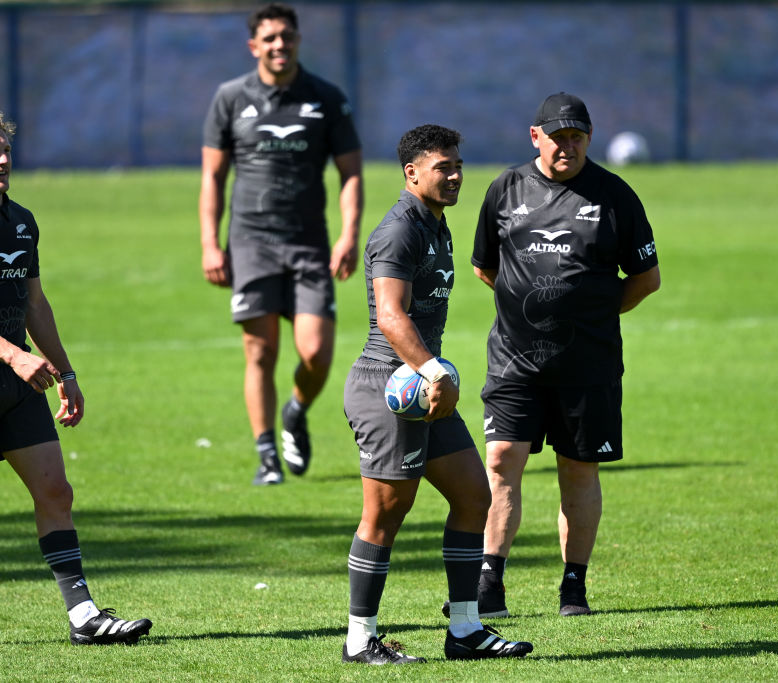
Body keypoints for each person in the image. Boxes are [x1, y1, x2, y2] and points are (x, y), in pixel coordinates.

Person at [0, 109, 152, 649]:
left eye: (4, 150)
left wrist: (64, 370)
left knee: (54, 489)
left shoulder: (21, 221)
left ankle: (84, 615)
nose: (2, 160)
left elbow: (35, 303)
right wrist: (14, 356)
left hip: (21, 382)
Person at [341, 125, 533, 665]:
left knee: (475, 496)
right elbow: (390, 315)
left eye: (457, 166)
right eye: (442, 167)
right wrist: (433, 370)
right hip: (390, 386)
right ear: (411, 173)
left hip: (425, 386)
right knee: (385, 514)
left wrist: (433, 375)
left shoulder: (436, 224)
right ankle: (360, 641)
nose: (454, 176)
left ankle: (466, 631)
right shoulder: (399, 231)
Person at [470, 93, 661, 618]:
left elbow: (647, 279)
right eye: (558, 137)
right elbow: (486, 267)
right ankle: (490, 584)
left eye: (578, 137)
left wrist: (591, 314)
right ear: (537, 137)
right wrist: (527, 310)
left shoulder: (615, 194)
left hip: (588, 363)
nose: (568, 147)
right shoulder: (506, 189)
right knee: (501, 460)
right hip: (514, 360)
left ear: (589, 139)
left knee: (578, 470)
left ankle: (573, 588)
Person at [199, 2, 363, 485]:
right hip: (250, 241)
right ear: (254, 46)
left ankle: (295, 410)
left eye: (286, 37)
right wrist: (211, 243)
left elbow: (350, 173)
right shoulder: (230, 98)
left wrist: (349, 235)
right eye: (269, 38)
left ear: (297, 41)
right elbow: (212, 176)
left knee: (316, 354)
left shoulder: (326, 98)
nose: (279, 45)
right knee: (260, 352)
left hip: (310, 243)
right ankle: (267, 454)